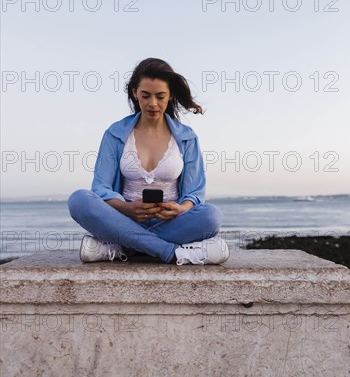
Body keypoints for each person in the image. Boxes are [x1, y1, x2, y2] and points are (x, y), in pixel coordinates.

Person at [68, 57, 229, 266]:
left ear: (170, 96)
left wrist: (180, 209)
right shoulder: (115, 134)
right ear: (135, 92)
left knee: (211, 216)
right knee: (79, 200)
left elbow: (195, 193)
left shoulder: (187, 137)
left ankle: (122, 245)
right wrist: (127, 209)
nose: (153, 103)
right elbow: (101, 187)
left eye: (160, 96)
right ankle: (173, 253)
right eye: (145, 95)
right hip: (123, 219)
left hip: (172, 223)